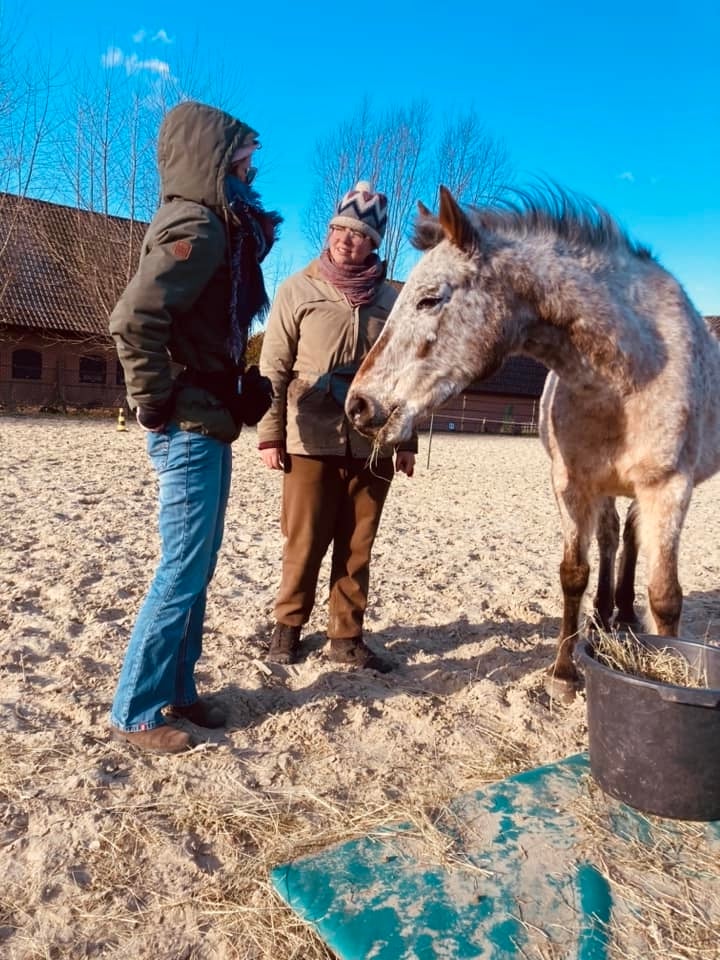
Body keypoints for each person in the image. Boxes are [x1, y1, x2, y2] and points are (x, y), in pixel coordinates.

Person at [108, 100, 281, 754]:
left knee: (198, 567)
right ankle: (137, 711)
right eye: (242, 154)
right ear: (214, 155)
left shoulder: (221, 229)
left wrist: (234, 387)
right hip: (183, 428)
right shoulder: (200, 224)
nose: (251, 165)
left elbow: (201, 337)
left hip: (205, 422)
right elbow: (133, 320)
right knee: (181, 568)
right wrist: (154, 402)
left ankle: (178, 689)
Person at [257, 181, 416, 672]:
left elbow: (407, 372)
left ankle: (346, 637)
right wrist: (271, 432)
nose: (349, 240)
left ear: (375, 243)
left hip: (374, 442)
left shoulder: (394, 301)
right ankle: (287, 631)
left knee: (357, 544)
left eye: (360, 234)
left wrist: (406, 438)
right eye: (342, 230)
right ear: (329, 233)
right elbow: (274, 366)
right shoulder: (297, 289)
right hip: (310, 435)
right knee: (303, 540)